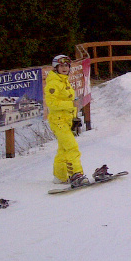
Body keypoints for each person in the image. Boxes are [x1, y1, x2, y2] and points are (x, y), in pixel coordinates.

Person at [45, 55, 90, 187]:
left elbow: (71, 102)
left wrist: (74, 117)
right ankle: (76, 174)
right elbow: (51, 103)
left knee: (63, 149)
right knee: (72, 147)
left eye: (66, 65)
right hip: (58, 121)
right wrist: (70, 105)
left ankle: (60, 176)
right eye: (61, 66)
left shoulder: (64, 81)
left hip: (66, 120)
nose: (64, 68)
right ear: (56, 68)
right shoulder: (53, 83)